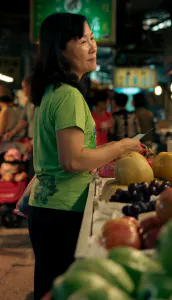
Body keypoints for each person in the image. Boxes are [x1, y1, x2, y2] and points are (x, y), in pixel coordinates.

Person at [27, 13, 140, 300]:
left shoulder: (51, 92)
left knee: (49, 286)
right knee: (63, 290)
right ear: (61, 50)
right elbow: (73, 161)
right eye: (82, 41)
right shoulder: (68, 96)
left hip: (48, 207)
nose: (92, 47)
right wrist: (121, 147)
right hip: (62, 211)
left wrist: (110, 149)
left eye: (92, 39)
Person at [3, 74, 35, 141]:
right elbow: (24, 120)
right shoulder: (28, 103)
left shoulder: (40, 102)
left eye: (24, 87)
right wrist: (12, 133)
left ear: (30, 87)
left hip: (39, 140)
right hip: (31, 139)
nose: (23, 90)